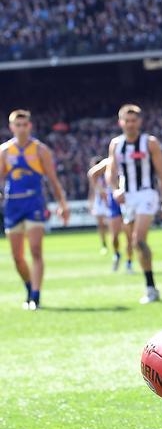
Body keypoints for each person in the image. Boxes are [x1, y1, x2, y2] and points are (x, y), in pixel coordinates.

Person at [0, 109, 70, 310]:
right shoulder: (5, 151)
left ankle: (36, 297)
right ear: (11, 127)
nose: (21, 128)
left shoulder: (40, 150)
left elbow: (53, 179)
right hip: (13, 205)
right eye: (17, 125)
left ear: (30, 126)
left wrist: (62, 204)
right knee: (17, 257)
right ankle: (29, 288)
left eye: (24, 125)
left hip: (34, 204)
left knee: (35, 250)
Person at [105, 104, 162, 304]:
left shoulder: (150, 143)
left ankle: (150, 287)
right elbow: (110, 171)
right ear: (121, 123)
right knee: (134, 243)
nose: (130, 124)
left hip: (147, 194)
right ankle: (151, 286)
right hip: (127, 197)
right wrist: (115, 190)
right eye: (127, 121)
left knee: (138, 239)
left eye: (134, 120)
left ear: (140, 122)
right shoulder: (116, 144)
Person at [87, 155, 134, 272]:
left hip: (129, 198)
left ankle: (129, 262)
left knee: (129, 235)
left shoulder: (130, 158)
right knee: (115, 235)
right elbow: (92, 174)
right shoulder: (110, 161)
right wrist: (101, 191)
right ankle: (116, 254)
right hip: (114, 200)